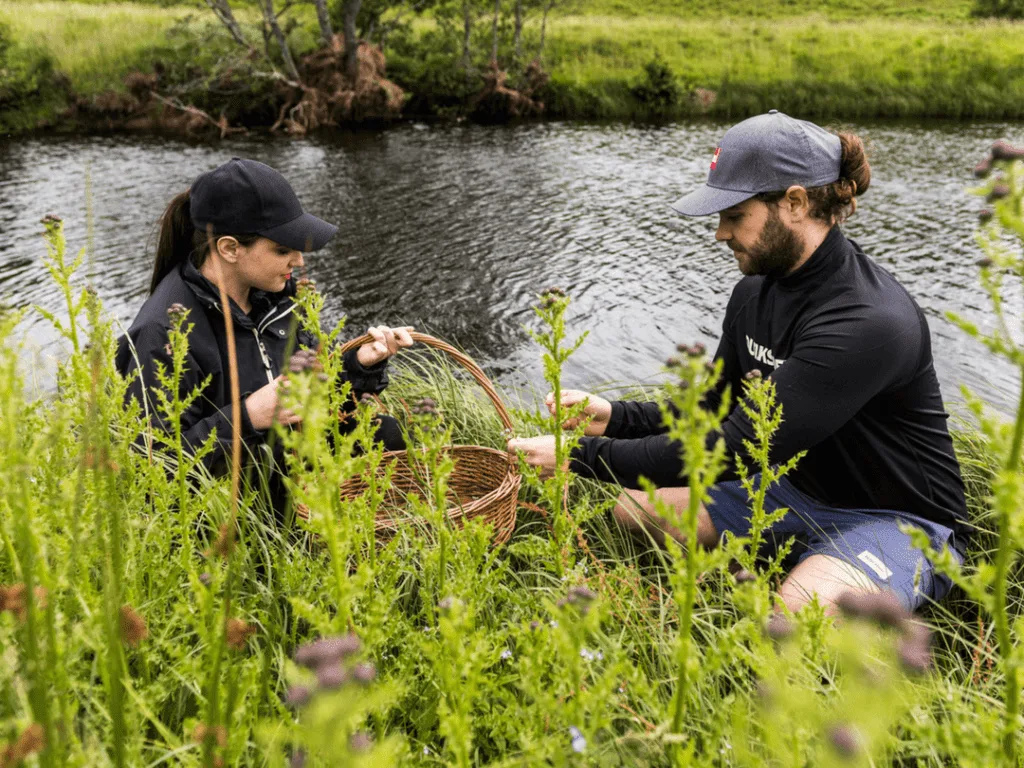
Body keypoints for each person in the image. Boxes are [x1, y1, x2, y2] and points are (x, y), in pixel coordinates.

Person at [509, 111, 970, 613]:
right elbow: (714, 407)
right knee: (636, 510)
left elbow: (731, 449)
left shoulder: (869, 320)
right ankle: (784, 572)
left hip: (899, 519)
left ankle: (821, 584)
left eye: (735, 216)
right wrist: (613, 418)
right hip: (794, 490)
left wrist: (579, 456)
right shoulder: (753, 293)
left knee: (798, 617)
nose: (720, 234)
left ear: (794, 202)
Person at [115, 157, 412, 502]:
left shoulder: (276, 296)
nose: (299, 261)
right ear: (229, 248)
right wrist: (247, 417)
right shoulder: (161, 332)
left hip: (283, 462)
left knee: (382, 433)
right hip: (229, 501)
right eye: (283, 249)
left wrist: (358, 365)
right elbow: (151, 469)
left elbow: (310, 400)